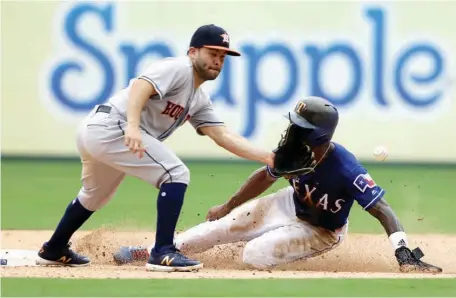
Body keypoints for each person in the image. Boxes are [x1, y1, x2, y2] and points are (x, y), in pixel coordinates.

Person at [36, 24, 274, 272]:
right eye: (212, 53)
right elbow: (141, 86)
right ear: (193, 52)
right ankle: (163, 252)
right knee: (175, 173)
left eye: (222, 56)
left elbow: (222, 135)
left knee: (95, 195)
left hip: (98, 130)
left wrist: (268, 157)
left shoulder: (199, 98)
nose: (218, 61)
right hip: (112, 127)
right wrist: (132, 126)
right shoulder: (179, 68)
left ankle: (53, 248)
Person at [112, 96, 442, 274]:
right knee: (218, 229)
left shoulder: (345, 167)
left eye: (301, 127)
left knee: (255, 254)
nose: (293, 131)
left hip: (321, 230)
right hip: (289, 203)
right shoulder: (294, 152)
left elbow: (381, 208)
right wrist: (228, 207)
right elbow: (263, 177)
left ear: (318, 134)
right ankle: (158, 250)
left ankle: (261, 245)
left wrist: (401, 249)